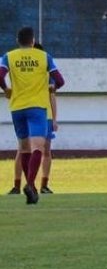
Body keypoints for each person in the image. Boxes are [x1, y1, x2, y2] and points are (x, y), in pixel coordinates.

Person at [0, 27, 65, 204]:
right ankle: (30, 184)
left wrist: (6, 89)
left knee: (23, 148)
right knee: (38, 147)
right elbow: (60, 80)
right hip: (37, 107)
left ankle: (31, 188)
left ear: (17, 40)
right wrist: (53, 88)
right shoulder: (44, 57)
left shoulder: (9, 56)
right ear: (33, 40)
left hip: (17, 107)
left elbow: (0, 74)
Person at [10, 43, 58, 195]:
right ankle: (20, 185)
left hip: (45, 114)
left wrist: (54, 118)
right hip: (32, 110)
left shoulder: (45, 73)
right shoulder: (24, 71)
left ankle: (43, 184)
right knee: (23, 149)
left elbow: (52, 96)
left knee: (45, 150)